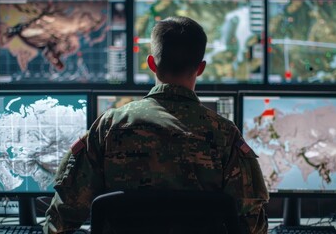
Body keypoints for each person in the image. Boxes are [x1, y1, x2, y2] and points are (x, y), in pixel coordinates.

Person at [44, 16, 269, 234]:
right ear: (200, 68)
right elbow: (252, 227)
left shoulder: (108, 128)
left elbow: (61, 222)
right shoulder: (225, 135)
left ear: (151, 63)